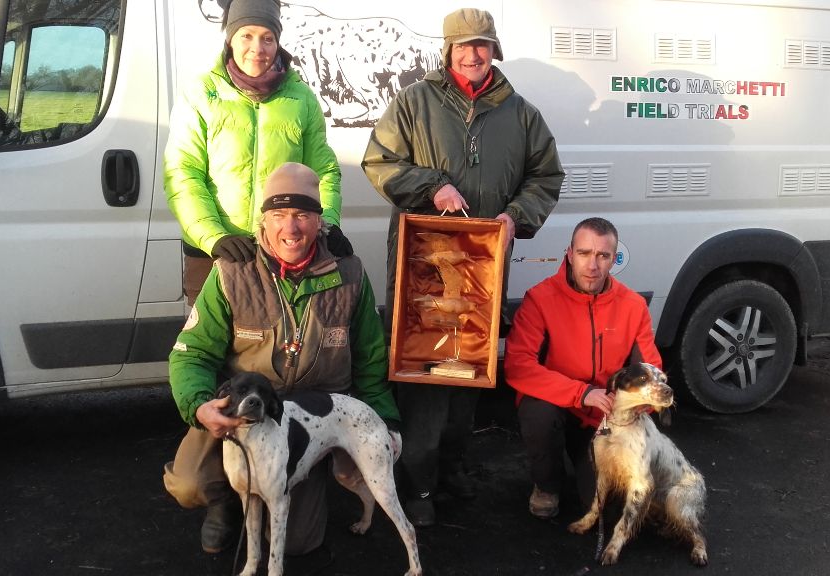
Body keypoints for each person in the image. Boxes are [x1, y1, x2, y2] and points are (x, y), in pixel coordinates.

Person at [361, 7, 564, 527]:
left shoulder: (521, 113)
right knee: (423, 368)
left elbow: (546, 175)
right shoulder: (413, 102)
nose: (473, 54)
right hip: (423, 261)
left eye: (482, 45)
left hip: (484, 262)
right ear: (448, 51)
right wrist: (432, 186)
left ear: (494, 50)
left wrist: (517, 217)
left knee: (469, 364)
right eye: (463, 46)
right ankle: (417, 485)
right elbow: (380, 162)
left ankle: (453, 470)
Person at [162, 162, 400, 568]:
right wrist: (201, 406)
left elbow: (370, 357)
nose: (291, 228)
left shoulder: (350, 274)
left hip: (306, 421)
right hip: (240, 410)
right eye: (279, 215)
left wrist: (385, 421)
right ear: (263, 221)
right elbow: (192, 354)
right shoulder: (231, 274)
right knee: (189, 483)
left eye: (303, 215)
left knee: (298, 544)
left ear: (320, 221)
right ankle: (229, 504)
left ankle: (312, 469)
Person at [163, 0, 347, 306]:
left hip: (281, 251)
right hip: (215, 252)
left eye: (267, 38)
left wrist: (328, 223)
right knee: (208, 347)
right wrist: (214, 237)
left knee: (275, 346)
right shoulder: (200, 93)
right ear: (230, 37)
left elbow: (323, 172)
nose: (257, 48)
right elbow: (182, 172)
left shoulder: (301, 97)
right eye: (246, 35)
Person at [503, 217, 662, 519]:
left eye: (603, 256)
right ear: (569, 253)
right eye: (584, 253)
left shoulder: (633, 305)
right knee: (537, 412)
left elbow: (650, 370)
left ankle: (585, 463)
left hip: (603, 418)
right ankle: (547, 485)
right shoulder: (540, 299)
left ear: (614, 259)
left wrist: (634, 402)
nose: (593, 265)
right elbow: (518, 366)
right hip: (560, 405)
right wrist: (582, 393)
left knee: (604, 509)